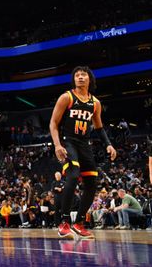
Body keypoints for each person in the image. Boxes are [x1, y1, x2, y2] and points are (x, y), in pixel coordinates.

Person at [49, 66, 117, 240]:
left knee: (92, 183)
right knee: (72, 176)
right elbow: (53, 123)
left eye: (83, 75)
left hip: (84, 145)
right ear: (74, 80)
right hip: (68, 142)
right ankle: (64, 223)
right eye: (77, 75)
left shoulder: (95, 103)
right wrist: (57, 145)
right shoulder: (67, 97)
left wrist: (108, 145)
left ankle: (79, 223)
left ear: (89, 79)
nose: (80, 77)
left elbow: (99, 127)